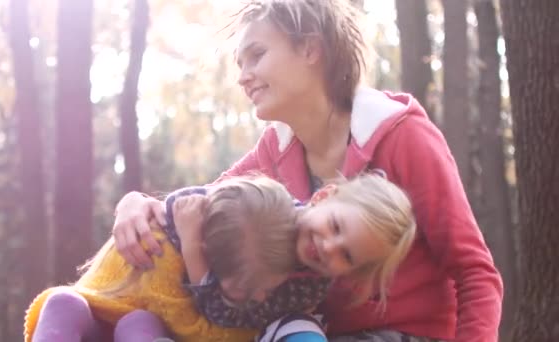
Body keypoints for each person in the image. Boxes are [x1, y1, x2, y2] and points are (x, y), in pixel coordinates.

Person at [111, 0, 503, 341]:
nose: (243, 75)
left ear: (311, 49)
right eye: (240, 63)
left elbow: (475, 273)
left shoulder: (403, 136)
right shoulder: (275, 151)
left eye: (257, 54)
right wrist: (134, 203)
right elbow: (202, 209)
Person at [24, 176, 329, 342]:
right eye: (248, 289)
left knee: (139, 322)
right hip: (96, 319)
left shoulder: (267, 257)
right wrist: (133, 202)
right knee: (62, 303)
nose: (262, 297)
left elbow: (203, 332)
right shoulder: (180, 238)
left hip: (141, 329)